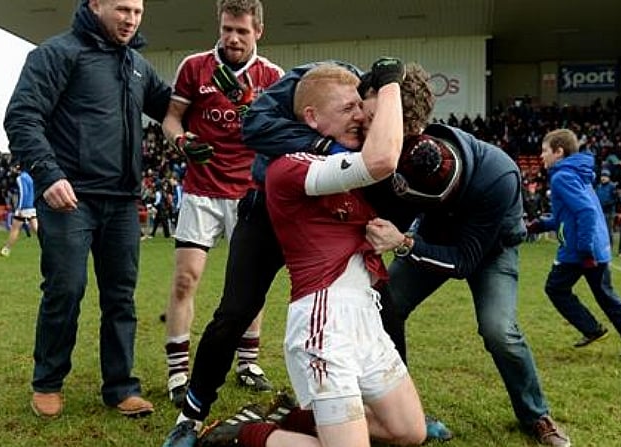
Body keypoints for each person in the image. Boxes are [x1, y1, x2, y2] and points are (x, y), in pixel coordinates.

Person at [244, 63, 570, 446]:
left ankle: (536, 414)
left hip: (489, 246)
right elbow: (280, 135)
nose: (361, 126)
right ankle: (356, 403)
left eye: (367, 119)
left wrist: (403, 243)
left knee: (499, 329)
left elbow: (465, 261)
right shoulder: (387, 152)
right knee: (390, 300)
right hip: (348, 295)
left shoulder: (496, 175)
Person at [160, 61, 453, 447]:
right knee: (235, 312)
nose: (363, 123)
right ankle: (193, 417)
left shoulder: (373, 125)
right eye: (361, 114)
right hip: (274, 206)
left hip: (334, 205)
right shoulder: (324, 81)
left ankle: (371, 410)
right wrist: (328, 147)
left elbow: (384, 168)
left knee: (387, 304)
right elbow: (256, 125)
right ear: (370, 95)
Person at [3, 0, 172, 418]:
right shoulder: (56, 54)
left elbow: (173, 107)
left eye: (138, 10)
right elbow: (22, 117)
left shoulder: (137, 66)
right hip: (69, 196)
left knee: (121, 296)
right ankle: (47, 382)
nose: (131, 19)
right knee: (66, 288)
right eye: (122, 9)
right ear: (95, 4)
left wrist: (219, 93)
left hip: (122, 201)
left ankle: (120, 387)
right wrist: (48, 174)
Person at [160, 0, 283, 409]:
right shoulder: (194, 66)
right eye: (227, 28)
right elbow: (171, 118)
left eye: (242, 31)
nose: (232, 38)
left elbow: (281, 135)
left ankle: (247, 363)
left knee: (250, 285)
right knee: (185, 280)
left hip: (250, 192)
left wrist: (251, 107)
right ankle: (178, 373)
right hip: (201, 189)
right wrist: (180, 140)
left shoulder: (273, 76)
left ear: (258, 32)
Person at [527, 129, 621, 359]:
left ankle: (592, 329)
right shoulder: (575, 173)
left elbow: (586, 211)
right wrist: (540, 224)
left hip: (580, 249)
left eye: (545, 150)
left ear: (559, 152)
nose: (541, 155)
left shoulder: (562, 177)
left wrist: (585, 250)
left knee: (555, 288)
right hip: (595, 245)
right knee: (606, 296)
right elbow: (567, 215)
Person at [0, 167, 39, 257]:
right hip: (31, 206)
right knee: (36, 229)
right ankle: (51, 246)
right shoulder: (30, 177)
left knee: (15, 229)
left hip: (24, 207)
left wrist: (19, 208)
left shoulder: (20, 177)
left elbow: (23, 193)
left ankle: (6, 250)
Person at [595, 169, 617, 246]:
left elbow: (615, 199)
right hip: (599, 211)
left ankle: (609, 246)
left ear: (609, 178)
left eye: (605, 176)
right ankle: (601, 245)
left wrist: (606, 204)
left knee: (608, 230)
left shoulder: (612, 186)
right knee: (599, 229)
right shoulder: (598, 186)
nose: (603, 178)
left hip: (609, 212)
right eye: (602, 176)